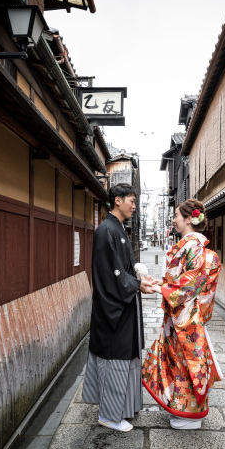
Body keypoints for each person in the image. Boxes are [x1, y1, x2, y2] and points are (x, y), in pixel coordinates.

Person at [83, 183, 158, 432]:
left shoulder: (118, 229)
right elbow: (111, 274)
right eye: (132, 201)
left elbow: (124, 268)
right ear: (117, 200)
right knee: (115, 358)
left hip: (123, 305)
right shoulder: (106, 230)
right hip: (113, 308)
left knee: (126, 357)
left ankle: (122, 409)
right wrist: (136, 285)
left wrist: (139, 280)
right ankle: (109, 415)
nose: (134, 206)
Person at [141, 199, 222, 430]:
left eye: (177, 215)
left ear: (189, 219)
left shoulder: (193, 246)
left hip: (186, 316)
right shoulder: (191, 245)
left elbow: (191, 282)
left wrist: (163, 289)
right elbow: (183, 279)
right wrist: (163, 283)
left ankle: (187, 414)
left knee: (187, 363)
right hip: (184, 313)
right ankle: (181, 409)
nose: (174, 219)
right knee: (182, 362)